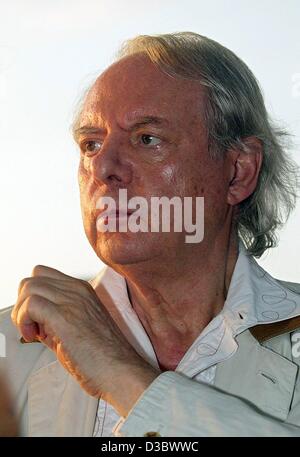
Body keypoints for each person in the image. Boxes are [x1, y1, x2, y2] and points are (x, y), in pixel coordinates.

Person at [1, 31, 300, 437]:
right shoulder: (7, 350)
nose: (103, 166)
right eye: (90, 144)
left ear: (238, 171)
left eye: (147, 138)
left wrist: (122, 375)